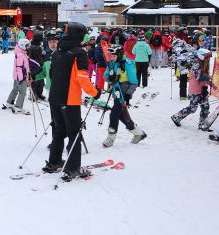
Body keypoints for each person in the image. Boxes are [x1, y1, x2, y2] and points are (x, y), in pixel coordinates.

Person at [42, 22, 100, 180]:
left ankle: (54, 162)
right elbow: (82, 78)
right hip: (69, 99)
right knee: (74, 133)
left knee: (59, 131)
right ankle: (72, 168)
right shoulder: (78, 53)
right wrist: (95, 92)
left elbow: (53, 74)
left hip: (54, 97)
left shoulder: (58, 50)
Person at [102, 44, 147, 148]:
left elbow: (134, 81)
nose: (112, 58)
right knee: (122, 115)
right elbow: (105, 75)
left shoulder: (127, 64)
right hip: (116, 92)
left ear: (119, 54)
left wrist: (128, 94)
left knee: (113, 114)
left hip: (124, 94)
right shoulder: (112, 64)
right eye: (110, 56)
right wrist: (110, 78)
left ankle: (110, 138)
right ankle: (138, 133)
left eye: (114, 56)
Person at [171, 49, 211, 128]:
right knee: (192, 108)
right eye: (207, 57)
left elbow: (205, 78)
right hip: (195, 90)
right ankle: (177, 116)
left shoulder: (205, 65)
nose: (208, 59)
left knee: (205, 107)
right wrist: (208, 78)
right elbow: (199, 77)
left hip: (203, 89)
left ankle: (202, 123)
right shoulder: (196, 65)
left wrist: (210, 83)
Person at [3, 38, 31, 114]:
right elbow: (19, 67)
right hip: (20, 77)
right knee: (22, 92)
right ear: (22, 46)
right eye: (27, 45)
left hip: (17, 76)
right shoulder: (21, 55)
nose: (28, 47)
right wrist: (21, 78)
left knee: (15, 89)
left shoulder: (21, 53)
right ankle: (18, 107)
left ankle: (9, 102)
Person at [27, 30, 46, 99]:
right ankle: (34, 94)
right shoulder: (37, 48)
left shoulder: (31, 45)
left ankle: (37, 94)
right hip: (37, 67)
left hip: (31, 66)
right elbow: (38, 59)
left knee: (37, 81)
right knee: (37, 81)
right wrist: (43, 58)